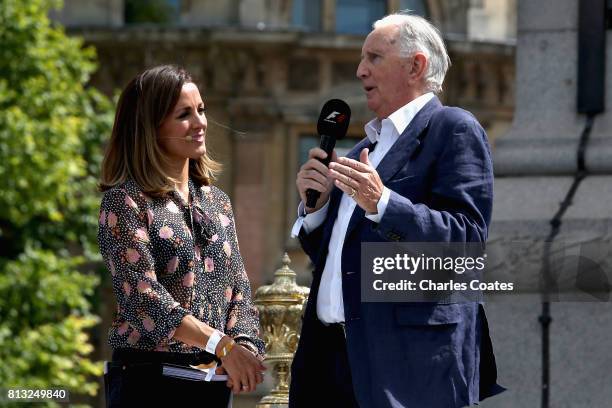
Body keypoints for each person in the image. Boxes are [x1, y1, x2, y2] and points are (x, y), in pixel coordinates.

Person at [290, 13, 504, 408]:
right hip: (333, 363)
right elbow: (344, 257)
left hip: (409, 368)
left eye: (373, 57)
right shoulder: (360, 151)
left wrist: (383, 204)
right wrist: (316, 210)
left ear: (415, 66)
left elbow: (466, 242)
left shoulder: (452, 128)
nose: (359, 70)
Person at [97, 65, 266, 407]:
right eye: (184, 115)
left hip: (212, 383)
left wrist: (244, 349)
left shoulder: (217, 202)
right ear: (152, 128)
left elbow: (239, 289)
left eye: (201, 110)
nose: (200, 122)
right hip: (148, 384)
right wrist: (222, 345)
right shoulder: (125, 200)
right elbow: (143, 297)